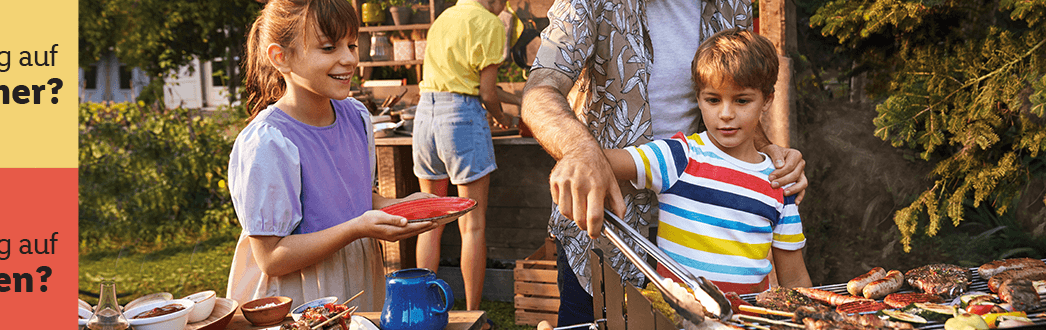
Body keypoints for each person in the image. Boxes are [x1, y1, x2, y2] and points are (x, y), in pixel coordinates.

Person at [520, 0, 809, 326]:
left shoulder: (731, 3)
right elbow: (539, 91)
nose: (726, 111)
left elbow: (739, 85)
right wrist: (580, 153)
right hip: (606, 229)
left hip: (697, 219)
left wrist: (769, 150)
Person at [225, 0, 437, 312]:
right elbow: (270, 257)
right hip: (301, 296)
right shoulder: (269, 143)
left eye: (352, 44)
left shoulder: (356, 117)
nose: (349, 58)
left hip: (358, 280)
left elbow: (357, 199)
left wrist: (406, 207)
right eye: (329, 48)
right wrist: (357, 228)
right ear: (280, 57)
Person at [602, 28, 812, 294]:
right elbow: (602, 161)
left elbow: (794, 280)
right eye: (713, 100)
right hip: (679, 318)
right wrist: (576, 159)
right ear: (699, 100)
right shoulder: (679, 157)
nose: (725, 114)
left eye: (742, 100)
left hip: (747, 321)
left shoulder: (781, 182)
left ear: (767, 100)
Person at [412, 0, 516, 312]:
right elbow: (486, 93)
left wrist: (518, 100)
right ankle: (473, 316)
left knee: (431, 221)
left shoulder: (443, 19)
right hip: (460, 118)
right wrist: (501, 116)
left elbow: (479, 86)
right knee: (472, 224)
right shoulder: (489, 22)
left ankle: (424, 310)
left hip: (425, 117)